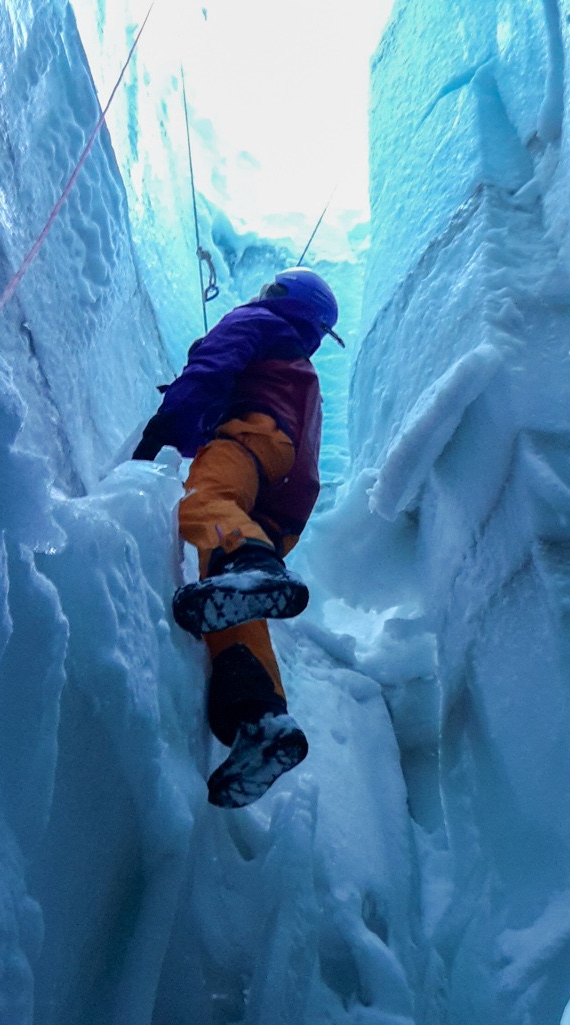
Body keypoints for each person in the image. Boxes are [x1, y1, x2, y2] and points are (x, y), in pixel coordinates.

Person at [133, 267, 341, 807]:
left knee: (205, 504)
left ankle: (249, 562)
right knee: (227, 594)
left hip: (252, 440)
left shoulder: (256, 320)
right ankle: (261, 718)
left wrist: (166, 426)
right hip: (286, 497)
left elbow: (214, 364)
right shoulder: (301, 373)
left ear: (279, 296)